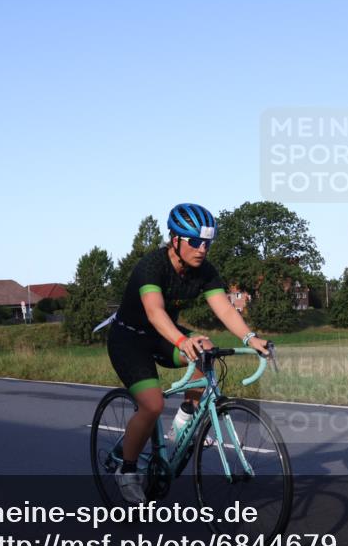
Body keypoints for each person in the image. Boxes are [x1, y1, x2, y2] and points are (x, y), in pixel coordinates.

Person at [107, 203, 269, 503]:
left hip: (160, 336)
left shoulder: (204, 271)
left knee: (206, 347)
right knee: (152, 405)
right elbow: (155, 312)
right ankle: (127, 470)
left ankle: (186, 415)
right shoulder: (152, 266)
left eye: (207, 242)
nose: (202, 249)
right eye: (194, 241)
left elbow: (223, 307)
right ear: (175, 239)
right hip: (129, 340)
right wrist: (182, 340)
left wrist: (250, 337)